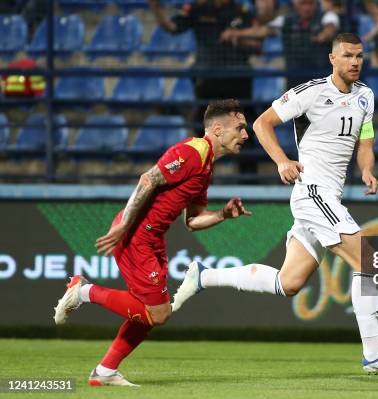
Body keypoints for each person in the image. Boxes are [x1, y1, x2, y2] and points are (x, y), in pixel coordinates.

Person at [172, 33, 378, 375]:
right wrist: (282, 162)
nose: (355, 62)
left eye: (360, 56)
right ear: (332, 59)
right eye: (348, 55)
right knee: (366, 257)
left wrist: (367, 171)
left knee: (289, 283)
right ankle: (374, 353)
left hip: (329, 195)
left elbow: (365, 143)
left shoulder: (366, 97)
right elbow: (262, 124)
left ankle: (204, 276)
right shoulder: (312, 92)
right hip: (312, 192)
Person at [52, 100, 252, 386]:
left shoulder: (206, 167)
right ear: (218, 129)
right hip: (137, 236)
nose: (245, 135)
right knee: (158, 314)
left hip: (153, 239)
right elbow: (149, 179)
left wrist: (222, 214)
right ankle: (84, 292)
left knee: (150, 312)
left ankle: (105, 371)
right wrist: (124, 225)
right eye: (240, 128)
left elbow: (192, 221)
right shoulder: (192, 152)